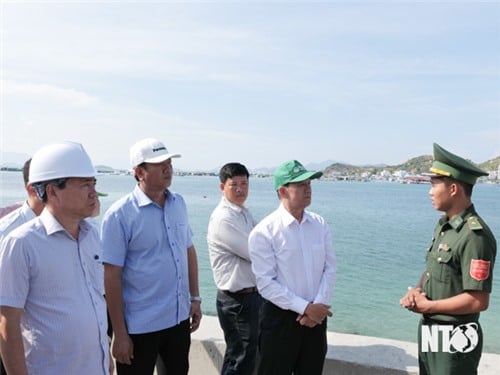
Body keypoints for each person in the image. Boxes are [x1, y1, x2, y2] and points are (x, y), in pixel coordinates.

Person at [0, 141, 110, 374]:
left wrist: (104, 355)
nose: (93, 192)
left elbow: (94, 301)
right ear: (52, 192)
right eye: (84, 185)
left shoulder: (93, 235)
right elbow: (7, 322)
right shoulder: (21, 243)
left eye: (94, 183)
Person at [101, 137, 202, 375]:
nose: (168, 169)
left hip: (177, 321)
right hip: (139, 327)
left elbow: (188, 250)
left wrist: (195, 298)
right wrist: (120, 333)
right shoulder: (120, 215)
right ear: (139, 172)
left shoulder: (179, 203)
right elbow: (111, 276)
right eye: (160, 164)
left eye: (169, 162)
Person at [399, 143, 496, 375]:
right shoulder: (445, 226)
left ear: (453, 188)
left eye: (434, 185)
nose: (429, 192)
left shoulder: (475, 236)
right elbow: (434, 268)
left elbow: (478, 300)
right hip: (433, 331)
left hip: (456, 335)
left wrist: (430, 306)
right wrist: (418, 290)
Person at [248, 160, 336, 375]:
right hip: (280, 320)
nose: (308, 189)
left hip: (316, 319)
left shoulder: (319, 224)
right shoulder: (264, 232)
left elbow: (330, 268)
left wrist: (319, 306)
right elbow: (266, 284)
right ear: (282, 191)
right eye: (301, 185)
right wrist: (305, 308)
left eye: (309, 184)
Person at [207, 162, 260, 375]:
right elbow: (255, 252)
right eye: (234, 184)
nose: (240, 189)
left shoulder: (242, 212)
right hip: (237, 301)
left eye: (244, 184)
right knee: (242, 360)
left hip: (249, 297)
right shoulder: (224, 218)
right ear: (222, 187)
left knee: (239, 356)